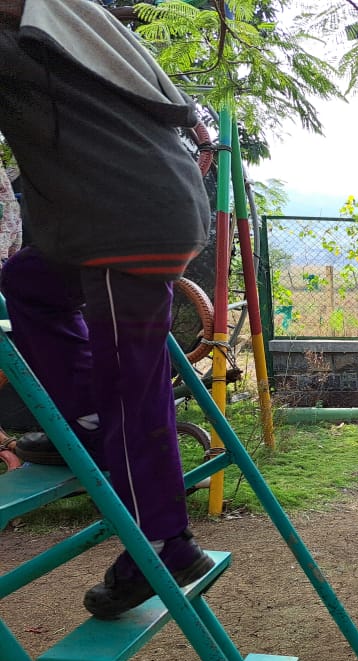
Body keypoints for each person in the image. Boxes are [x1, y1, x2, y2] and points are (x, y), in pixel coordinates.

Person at [0, 0, 213, 619]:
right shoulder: (74, 24)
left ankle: (161, 544)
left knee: (133, 387)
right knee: (28, 284)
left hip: (126, 224)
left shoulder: (25, 42)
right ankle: (88, 418)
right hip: (129, 212)